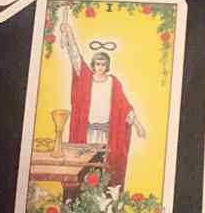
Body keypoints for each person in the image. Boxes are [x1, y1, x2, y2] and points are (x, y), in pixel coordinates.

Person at [60, 17, 146, 189]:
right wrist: (69, 34)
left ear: (107, 66)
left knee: (105, 168)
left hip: (106, 135)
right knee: (85, 168)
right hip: (87, 134)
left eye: (103, 64)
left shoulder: (113, 82)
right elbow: (76, 58)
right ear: (94, 64)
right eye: (97, 64)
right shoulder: (86, 78)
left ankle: (102, 199)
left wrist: (138, 125)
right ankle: (82, 199)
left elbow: (124, 107)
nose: (100, 67)